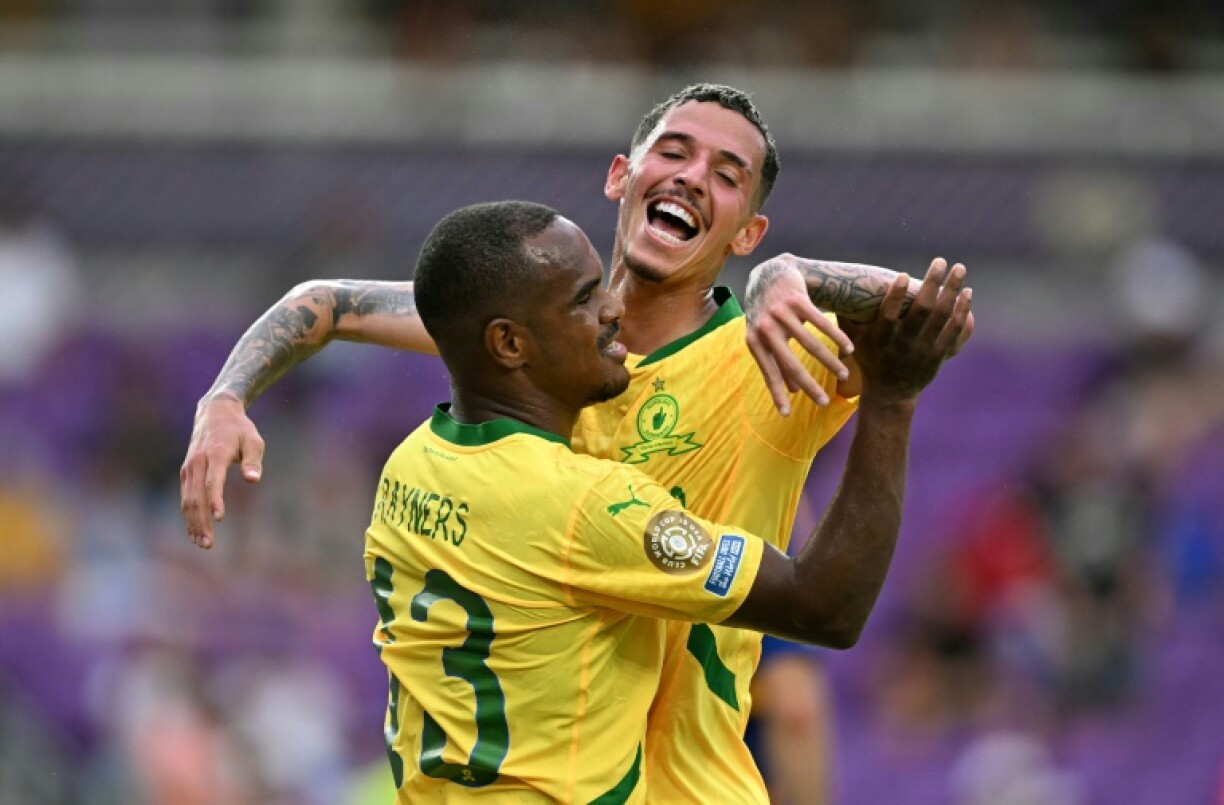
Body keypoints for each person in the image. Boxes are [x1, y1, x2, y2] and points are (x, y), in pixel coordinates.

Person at [181, 84, 973, 801]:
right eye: (675, 150)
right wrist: (225, 394)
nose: (695, 175)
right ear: (620, 175)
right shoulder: (539, 329)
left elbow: (926, 311)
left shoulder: (771, 347)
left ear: (747, 231)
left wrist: (792, 273)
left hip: (694, 782)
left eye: (728, 175)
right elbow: (324, 301)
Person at [363, 199, 968, 800]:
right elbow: (825, 610)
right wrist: (891, 398)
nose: (612, 307)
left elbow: (335, 306)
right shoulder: (589, 506)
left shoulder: (410, 466)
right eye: (583, 298)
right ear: (509, 345)